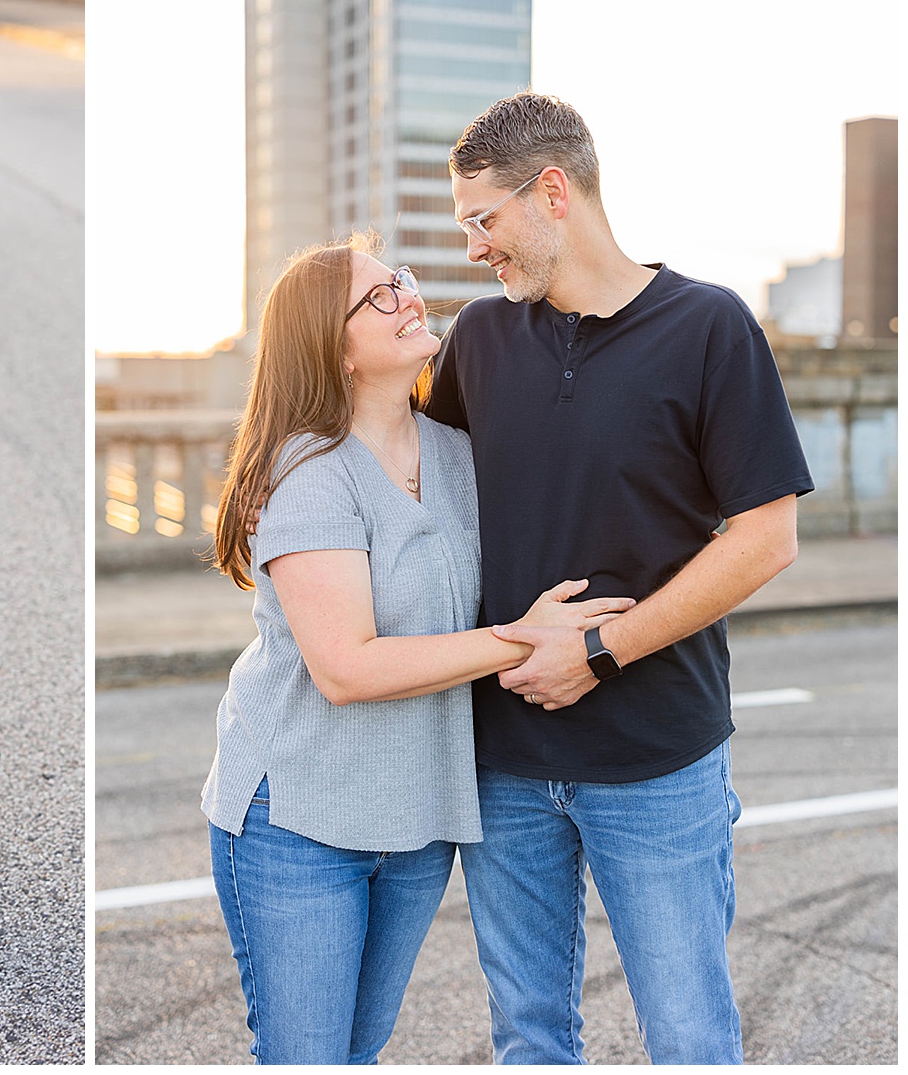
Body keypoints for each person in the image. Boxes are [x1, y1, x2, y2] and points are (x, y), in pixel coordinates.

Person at [430, 94, 814, 1064]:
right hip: (503, 761)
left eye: (483, 219)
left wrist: (594, 651)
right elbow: (413, 498)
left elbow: (765, 537)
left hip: (658, 763)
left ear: (550, 192)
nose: (474, 247)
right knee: (527, 1036)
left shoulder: (707, 328)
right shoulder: (476, 343)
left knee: (686, 1037)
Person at [201, 240, 628, 1065]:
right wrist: (517, 640)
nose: (406, 298)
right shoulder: (308, 475)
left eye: (400, 282)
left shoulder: (460, 456)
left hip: (417, 819)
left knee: (355, 1053)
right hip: (295, 820)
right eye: (376, 298)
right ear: (335, 349)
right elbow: (346, 669)